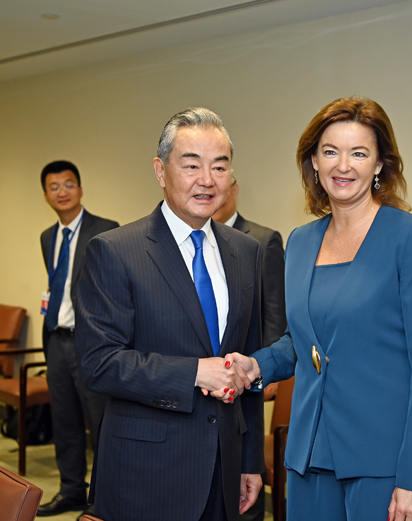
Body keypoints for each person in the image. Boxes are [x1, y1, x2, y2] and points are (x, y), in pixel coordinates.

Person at [228, 96, 412, 521]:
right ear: (313, 160)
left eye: (359, 153)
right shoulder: (301, 241)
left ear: (380, 163)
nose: (342, 165)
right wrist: (253, 367)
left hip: (383, 460)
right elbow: (304, 340)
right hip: (310, 451)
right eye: (330, 151)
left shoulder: (411, 237)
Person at [75, 107, 264, 521]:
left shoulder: (246, 252)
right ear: (161, 171)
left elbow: (246, 363)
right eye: (191, 164)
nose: (206, 180)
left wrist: (251, 459)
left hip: (224, 467)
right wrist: (194, 372)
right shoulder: (115, 251)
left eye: (219, 166)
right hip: (146, 473)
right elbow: (98, 364)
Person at [37, 160, 119, 517]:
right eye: (54, 187)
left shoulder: (106, 231)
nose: (63, 192)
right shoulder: (47, 237)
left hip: (92, 345)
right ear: (46, 195)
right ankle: (71, 489)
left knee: (101, 424)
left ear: (80, 189)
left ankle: (104, 499)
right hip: (56, 341)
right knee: (64, 421)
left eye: (69, 184)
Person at [213, 173, 286, 521]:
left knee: (244, 452)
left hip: (250, 368)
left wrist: (266, 367)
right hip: (206, 377)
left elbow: (274, 308)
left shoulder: (261, 240)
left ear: (235, 188)